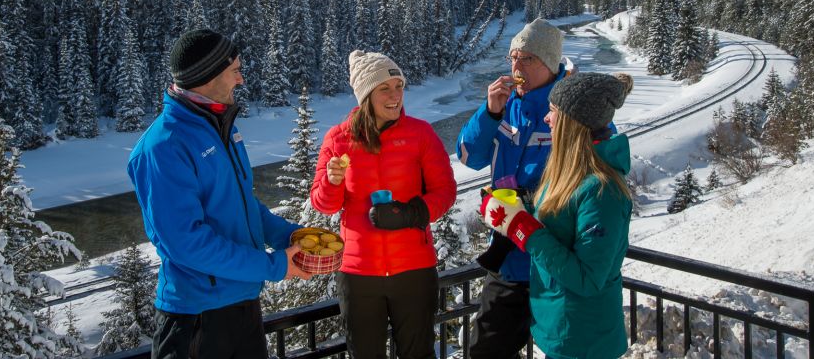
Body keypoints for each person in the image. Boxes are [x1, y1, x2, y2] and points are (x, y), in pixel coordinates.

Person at [128, 29, 311, 359]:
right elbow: (186, 243)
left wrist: (291, 236)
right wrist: (273, 265)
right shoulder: (163, 147)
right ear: (207, 76)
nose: (241, 81)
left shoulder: (219, 126)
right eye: (235, 71)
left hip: (242, 305)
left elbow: (240, 205)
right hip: (196, 318)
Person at [310, 50, 457, 359]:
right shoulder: (338, 139)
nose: (395, 96)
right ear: (366, 95)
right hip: (358, 274)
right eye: (385, 89)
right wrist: (332, 182)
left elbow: (445, 192)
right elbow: (323, 205)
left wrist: (409, 213)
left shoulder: (420, 134)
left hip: (413, 269)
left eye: (399, 86)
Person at [479, 72, 634, 359]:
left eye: (553, 112)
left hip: (585, 339)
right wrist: (514, 210)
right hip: (561, 327)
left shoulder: (602, 190)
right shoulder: (569, 172)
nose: (546, 119)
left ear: (575, 123)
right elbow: (557, 228)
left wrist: (521, 228)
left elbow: (588, 278)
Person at [455, 18, 572, 359]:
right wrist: (489, 112)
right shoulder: (506, 107)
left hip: (555, 266)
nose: (516, 67)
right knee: (485, 351)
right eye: (513, 58)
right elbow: (468, 156)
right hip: (509, 261)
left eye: (527, 59)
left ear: (550, 64)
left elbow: (592, 176)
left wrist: (530, 203)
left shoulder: (571, 107)